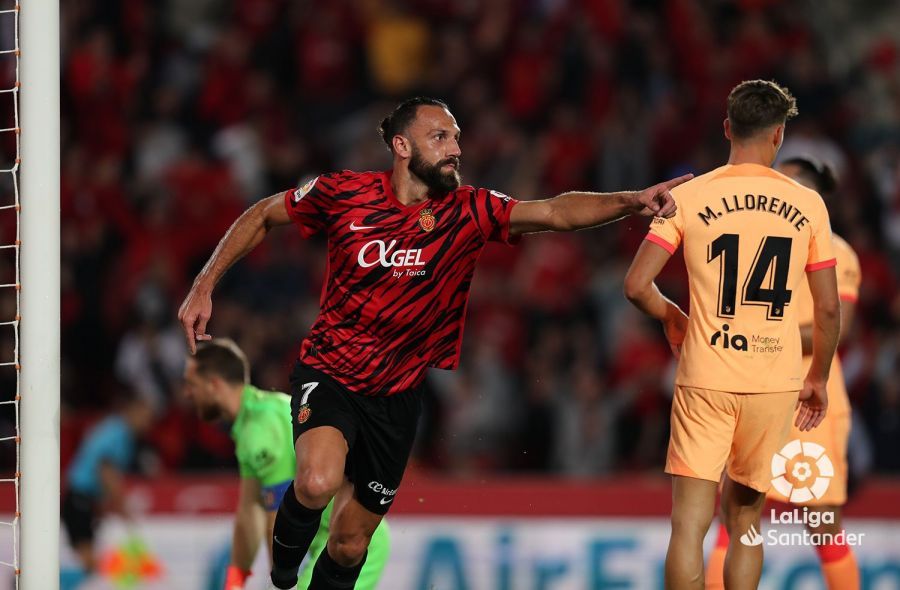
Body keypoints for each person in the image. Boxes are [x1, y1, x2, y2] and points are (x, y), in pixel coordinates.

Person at [178, 96, 691, 590]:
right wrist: (204, 283)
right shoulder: (344, 193)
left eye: (457, 138)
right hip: (330, 371)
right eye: (440, 137)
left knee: (351, 545)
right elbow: (266, 213)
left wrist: (631, 201)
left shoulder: (469, 211)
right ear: (402, 146)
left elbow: (555, 212)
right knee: (315, 482)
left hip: (397, 396)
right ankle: (283, 576)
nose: (455, 148)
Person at [623, 80, 841, 590]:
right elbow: (828, 309)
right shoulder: (808, 205)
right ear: (779, 136)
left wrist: (673, 316)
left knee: (688, 527)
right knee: (745, 524)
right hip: (774, 382)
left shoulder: (688, 196)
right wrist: (819, 377)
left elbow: (636, 285)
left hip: (705, 376)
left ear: (727, 128)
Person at [705, 156, 862, 590]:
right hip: (756, 394)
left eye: (786, 186)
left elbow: (837, 330)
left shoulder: (838, 251)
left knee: (822, 522)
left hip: (812, 404)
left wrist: (763, 333)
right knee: (733, 513)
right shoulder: (758, 245)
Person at [182, 338, 390, 590]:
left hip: (347, 537)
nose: (187, 393)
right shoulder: (252, 420)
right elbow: (249, 511)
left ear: (214, 384)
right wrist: (234, 583)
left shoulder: (261, 431)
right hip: (328, 539)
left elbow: (278, 515)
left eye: (191, 384)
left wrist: (279, 584)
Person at [61, 394, 155, 589]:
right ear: (132, 411)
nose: (148, 424)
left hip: (84, 500)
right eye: (145, 417)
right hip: (79, 499)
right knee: (88, 562)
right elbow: (106, 471)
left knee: (87, 561)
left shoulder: (116, 431)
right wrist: (122, 506)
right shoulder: (118, 433)